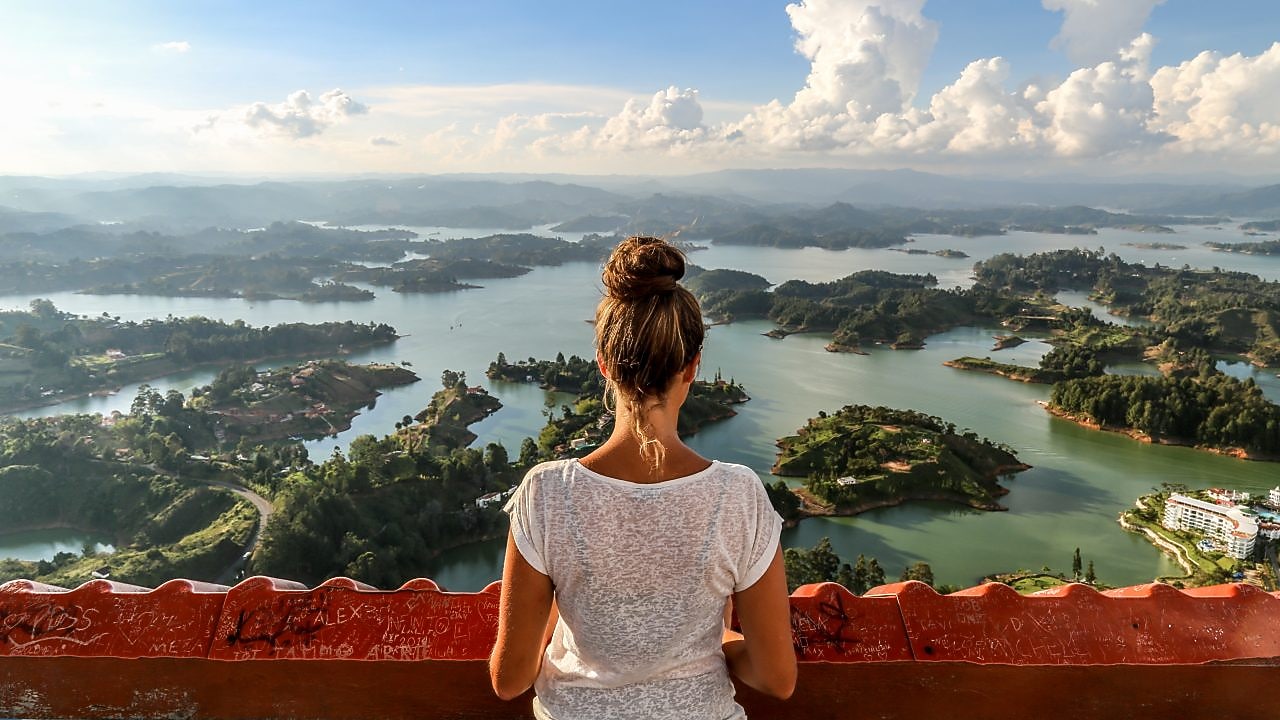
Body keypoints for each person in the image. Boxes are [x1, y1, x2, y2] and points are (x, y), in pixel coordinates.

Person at [489, 236, 796, 719]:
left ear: (604, 366)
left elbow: (510, 680)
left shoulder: (546, 493)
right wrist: (720, 638)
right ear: (692, 367)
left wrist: (565, 621)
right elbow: (776, 679)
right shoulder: (738, 495)